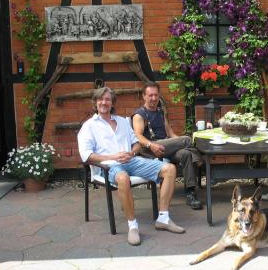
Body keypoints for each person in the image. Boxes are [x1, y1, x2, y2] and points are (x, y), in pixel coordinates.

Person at [77, 87, 185, 247]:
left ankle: (163, 218)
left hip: (131, 161)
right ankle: (132, 226)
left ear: (112, 102)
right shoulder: (89, 126)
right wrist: (113, 157)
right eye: (100, 99)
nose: (104, 102)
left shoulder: (122, 121)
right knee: (123, 178)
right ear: (95, 102)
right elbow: (87, 155)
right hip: (108, 166)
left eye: (107, 99)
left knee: (169, 169)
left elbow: (136, 143)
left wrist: (132, 153)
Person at [132, 82, 204, 210]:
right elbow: (137, 136)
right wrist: (151, 144)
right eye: (150, 95)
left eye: (156, 95)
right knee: (187, 139)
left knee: (186, 154)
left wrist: (180, 143)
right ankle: (199, 157)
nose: (154, 98)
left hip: (166, 147)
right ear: (144, 96)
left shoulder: (160, 112)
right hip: (150, 149)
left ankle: (190, 193)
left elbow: (171, 134)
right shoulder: (139, 115)